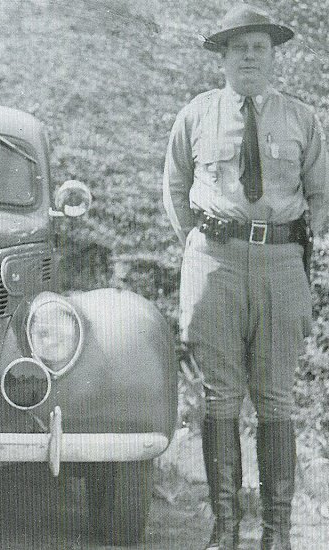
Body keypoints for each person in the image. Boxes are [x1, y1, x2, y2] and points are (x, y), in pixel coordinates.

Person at [163, 5, 328, 550]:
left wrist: (294, 248)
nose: (249, 56)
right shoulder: (196, 115)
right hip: (215, 262)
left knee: (277, 399)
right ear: (223, 58)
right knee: (220, 397)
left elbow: (320, 194)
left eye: (259, 47)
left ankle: (276, 533)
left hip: (282, 264)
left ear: (273, 55)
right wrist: (201, 245)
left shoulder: (302, 118)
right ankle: (225, 528)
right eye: (239, 48)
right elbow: (174, 187)